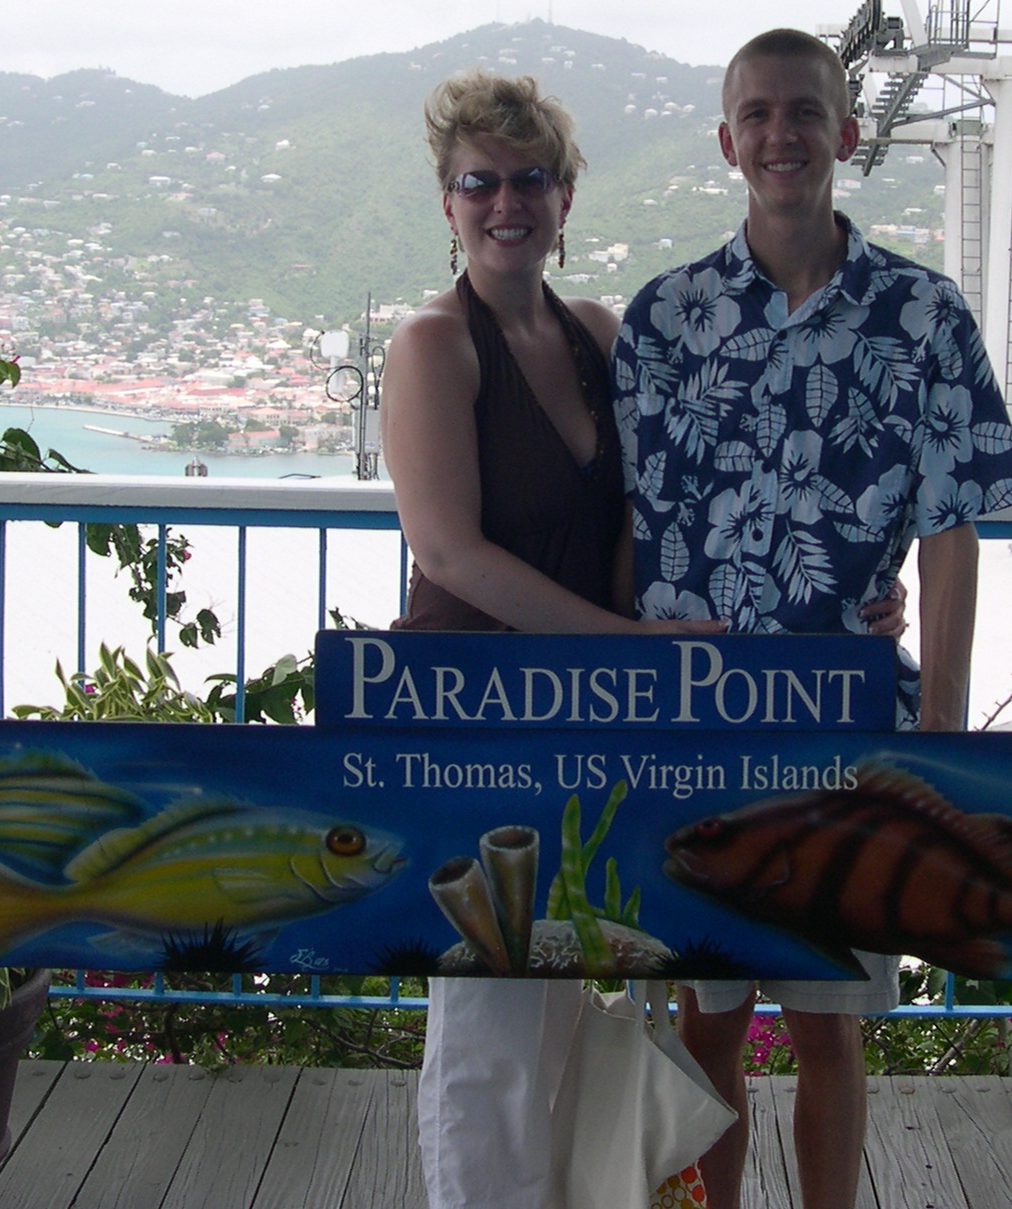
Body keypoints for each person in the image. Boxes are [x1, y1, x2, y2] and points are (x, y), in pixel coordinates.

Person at [383, 68, 904, 1209]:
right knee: (487, 1035)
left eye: (530, 179)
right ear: (447, 200)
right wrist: (626, 645)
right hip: (471, 725)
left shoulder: (596, 335)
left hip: (584, 724)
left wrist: (857, 588)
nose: (506, 202)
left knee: (568, 1013)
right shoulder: (433, 346)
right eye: (481, 182)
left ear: (566, 198)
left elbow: (685, 507)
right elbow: (450, 556)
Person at [614, 27, 1012, 1209]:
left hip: (850, 730)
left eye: (804, 110)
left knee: (827, 1024)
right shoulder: (664, 320)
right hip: (694, 731)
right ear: (726, 140)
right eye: (756, 112)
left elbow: (952, 529)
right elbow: (626, 530)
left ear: (849, 133)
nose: (780, 133)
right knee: (705, 1022)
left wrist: (937, 733)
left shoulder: (924, 317)